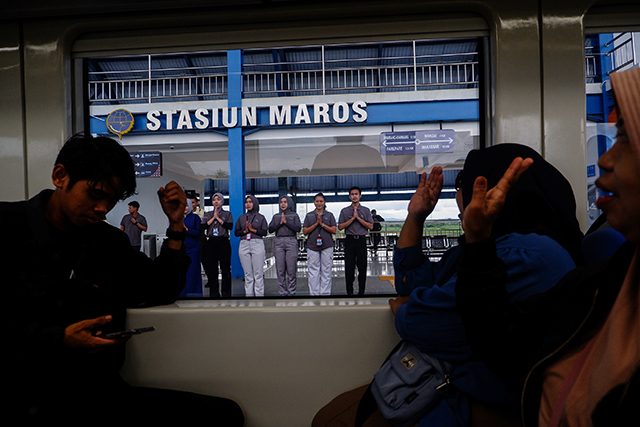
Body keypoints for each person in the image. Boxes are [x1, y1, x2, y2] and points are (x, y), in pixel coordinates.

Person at [313, 143, 583, 427]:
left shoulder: (528, 256)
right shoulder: (489, 248)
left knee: (331, 421)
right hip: (449, 384)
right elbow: (410, 282)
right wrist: (416, 215)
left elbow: (421, 323)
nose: (457, 198)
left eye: (460, 188)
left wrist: (409, 310)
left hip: (476, 399)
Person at [4, 134, 244, 424]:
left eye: (111, 200)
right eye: (95, 194)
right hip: (23, 394)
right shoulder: (10, 228)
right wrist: (58, 340)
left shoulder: (106, 243)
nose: (103, 208)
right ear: (60, 176)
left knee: (224, 415)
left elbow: (160, 289)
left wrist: (176, 226)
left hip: (98, 395)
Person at [455, 68, 640, 427]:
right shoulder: (607, 279)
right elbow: (502, 343)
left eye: (626, 140)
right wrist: (478, 241)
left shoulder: (533, 252)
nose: (604, 158)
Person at [338, 186, 374, 295]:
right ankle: (349, 292)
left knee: (362, 267)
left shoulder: (366, 210)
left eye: (356, 194)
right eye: (352, 194)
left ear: (360, 196)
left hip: (361, 240)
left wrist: (358, 218)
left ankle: (361, 292)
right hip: (349, 240)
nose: (354, 196)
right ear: (349, 196)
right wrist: (352, 218)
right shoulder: (345, 211)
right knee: (349, 267)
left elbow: (371, 226)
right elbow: (340, 227)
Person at [303, 193, 337, 296]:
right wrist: (315, 224)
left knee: (326, 271)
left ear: (324, 202)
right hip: (312, 246)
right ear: (314, 202)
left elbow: (334, 230)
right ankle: (314, 295)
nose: (319, 203)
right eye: (317, 201)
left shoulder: (329, 215)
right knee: (313, 271)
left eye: (321, 201)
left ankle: (325, 295)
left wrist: (322, 224)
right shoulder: (309, 215)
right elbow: (305, 231)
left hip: (327, 246)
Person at [201, 192, 234, 298]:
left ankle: (226, 293)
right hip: (211, 242)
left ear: (222, 201)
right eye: (214, 199)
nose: (216, 201)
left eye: (218, 199)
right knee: (212, 269)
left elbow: (230, 226)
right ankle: (214, 293)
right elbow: (202, 227)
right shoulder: (207, 214)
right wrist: (213, 218)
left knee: (225, 269)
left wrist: (219, 219)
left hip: (223, 242)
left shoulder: (227, 214)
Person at [235, 195, 268, 297]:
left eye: (250, 202)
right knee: (248, 274)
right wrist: (245, 231)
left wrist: (252, 230)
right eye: (246, 202)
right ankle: (249, 296)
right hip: (244, 243)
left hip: (257, 243)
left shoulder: (260, 217)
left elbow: (264, 232)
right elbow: (236, 232)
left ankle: (259, 296)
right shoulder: (241, 218)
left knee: (258, 273)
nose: (248, 204)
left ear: (255, 203)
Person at [269, 195, 302, 296]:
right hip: (279, 241)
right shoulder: (276, 216)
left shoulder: (294, 215)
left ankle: (292, 291)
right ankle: (282, 292)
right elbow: (270, 229)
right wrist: (280, 223)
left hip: (291, 241)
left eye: (285, 202)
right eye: (281, 202)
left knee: (291, 268)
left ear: (289, 203)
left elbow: (298, 229)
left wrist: (286, 223)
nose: (283, 204)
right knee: (280, 269)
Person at [180, 198, 203, 297]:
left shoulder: (195, 218)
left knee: (193, 273)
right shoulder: (178, 218)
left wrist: (187, 230)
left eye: (186, 205)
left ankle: (194, 294)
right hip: (181, 250)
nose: (184, 208)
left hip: (193, 249)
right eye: (183, 206)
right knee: (181, 273)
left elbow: (199, 233)